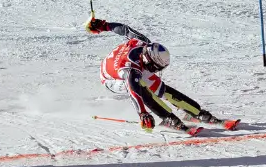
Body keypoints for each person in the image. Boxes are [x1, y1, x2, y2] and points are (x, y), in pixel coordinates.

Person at [86, 17, 227, 132]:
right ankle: (167, 118)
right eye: (156, 68)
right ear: (150, 62)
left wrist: (103, 26)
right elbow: (134, 91)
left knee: (162, 89)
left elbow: (124, 30)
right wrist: (143, 114)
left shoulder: (143, 43)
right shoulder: (130, 69)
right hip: (111, 79)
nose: (156, 71)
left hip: (129, 63)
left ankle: (198, 112)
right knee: (141, 86)